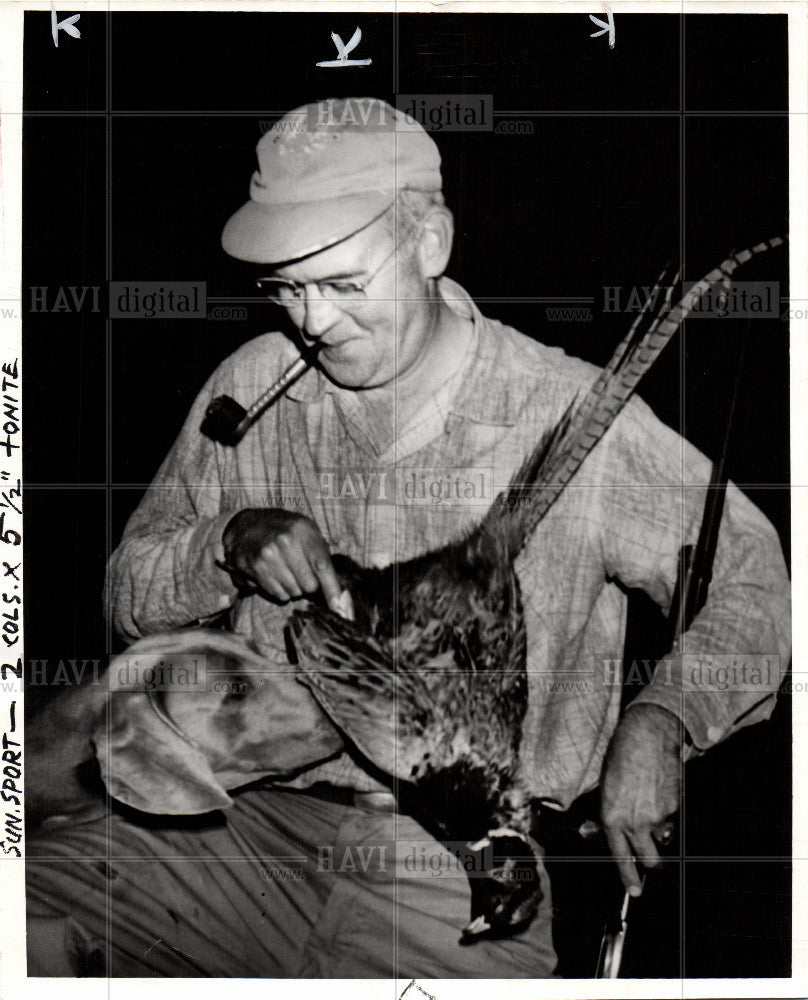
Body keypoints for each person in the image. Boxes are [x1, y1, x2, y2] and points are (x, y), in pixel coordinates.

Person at [26, 97, 791, 978]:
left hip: (460, 865)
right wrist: (226, 540)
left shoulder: (568, 410)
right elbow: (128, 592)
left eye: (343, 285)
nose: (309, 321)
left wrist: (662, 720)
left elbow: (757, 578)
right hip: (240, 825)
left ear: (431, 244)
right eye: (286, 286)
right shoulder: (254, 387)